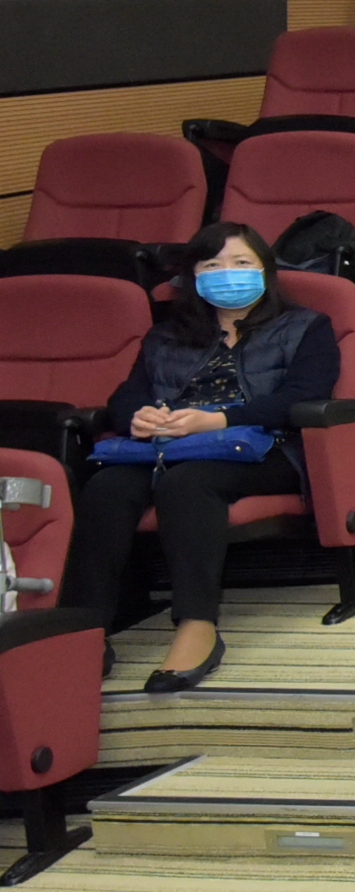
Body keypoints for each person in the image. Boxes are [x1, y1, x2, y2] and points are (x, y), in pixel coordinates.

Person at [60, 223, 340, 691]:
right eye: (212, 265)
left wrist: (219, 420)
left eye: (241, 263)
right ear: (193, 277)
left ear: (266, 271)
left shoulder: (306, 326)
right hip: (170, 444)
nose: (226, 274)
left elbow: (302, 399)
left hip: (264, 447)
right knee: (105, 488)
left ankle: (197, 625)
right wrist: (141, 418)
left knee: (188, 483)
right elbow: (126, 397)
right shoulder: (168, 334)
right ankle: (84, 630)